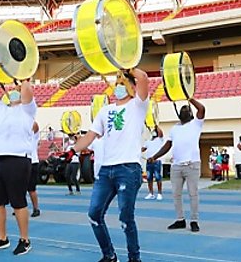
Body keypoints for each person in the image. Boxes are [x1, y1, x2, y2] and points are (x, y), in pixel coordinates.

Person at [74, 68, 150, 262]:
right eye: (117, 84)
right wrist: (73, 148)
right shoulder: (105, 110)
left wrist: (127, 66)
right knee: (94, 214)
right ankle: (109, 255)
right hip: (106, 170)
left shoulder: (138, 106)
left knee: (126, 218)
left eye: (123, 84)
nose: (118, 87)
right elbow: (90, 136)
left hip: (128, 168)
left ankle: (134, 258)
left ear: (131, 87)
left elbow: (143, 78)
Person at [0, 77, 37, 256]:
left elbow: (28, 92)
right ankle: (2, 238)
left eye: (17, 90)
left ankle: (25, 240)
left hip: (19, 159)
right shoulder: (1, 110)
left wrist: (23, 79)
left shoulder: (28, 110)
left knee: (18, 202)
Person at [148, 98, 206, 233]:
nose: (184, 111)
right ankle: (180, 219)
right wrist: (155, 157)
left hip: (192, 164)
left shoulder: (196, 124)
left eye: (187, 109)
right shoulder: (174, 128)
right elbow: (167, 145)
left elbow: (202, 109)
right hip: (176, 166)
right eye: (182, 110)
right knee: (176, 194)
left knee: (193, 194)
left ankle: (194, 220)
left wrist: (189, 97)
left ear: (191, 114)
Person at [142, 126, 164, 201]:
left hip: (156, 161)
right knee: (149, 178)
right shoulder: (148, 141)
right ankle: (151, 193)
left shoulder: (159, 139)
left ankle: (159, 193)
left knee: (158, 177)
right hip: (148, 162)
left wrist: (156, 125)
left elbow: (161, 133)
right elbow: (143, 149)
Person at [27, 122, 41, 217]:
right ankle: (19, 208)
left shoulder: (33, 136)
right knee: (19, 188)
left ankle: (36, 208)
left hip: (33, 163)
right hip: (22, 163)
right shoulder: (20, 137)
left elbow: (36, 126)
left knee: (31, 189)